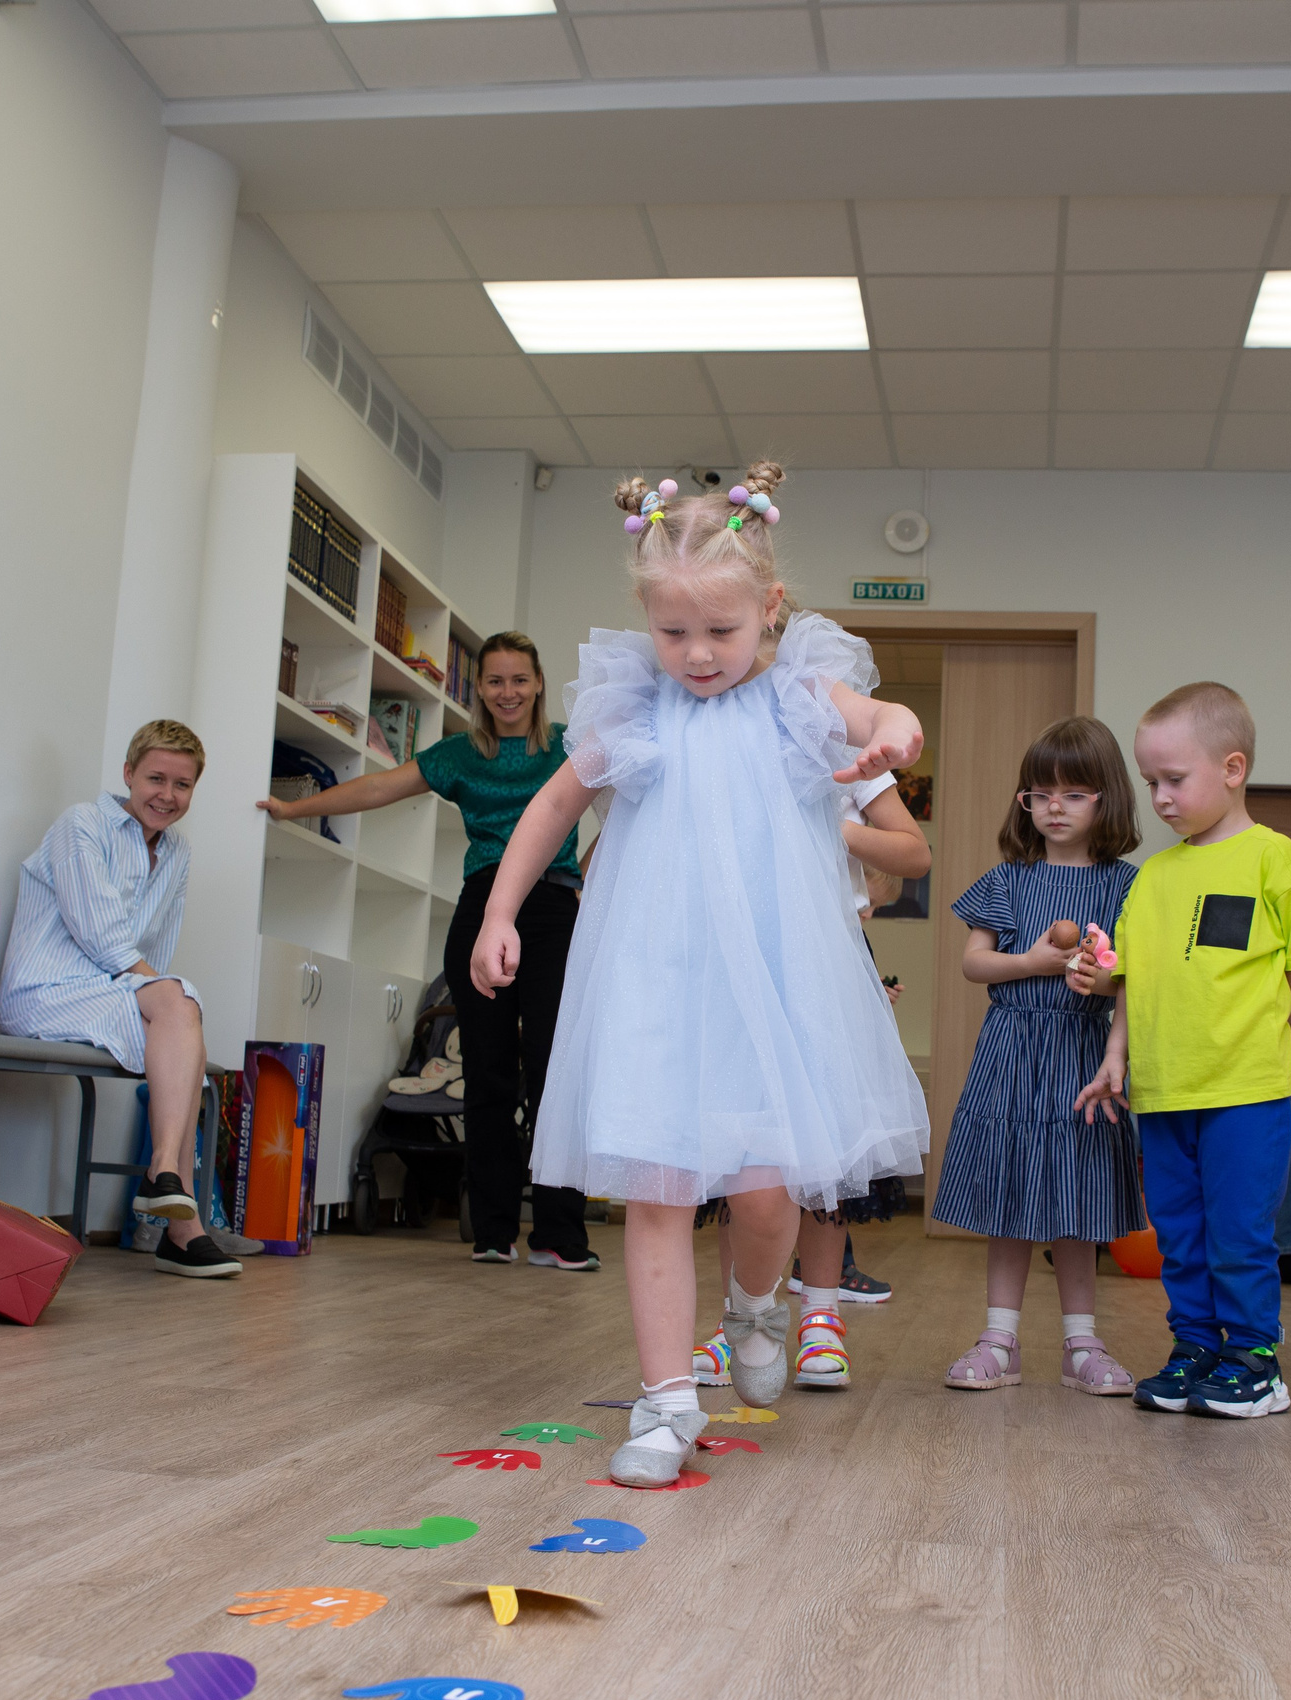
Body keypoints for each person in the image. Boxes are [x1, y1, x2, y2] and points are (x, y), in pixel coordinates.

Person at [469, 463, 929, 1488]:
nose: (698, 654)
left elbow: (883, 716)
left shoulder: (801, 695)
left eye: (720, 632)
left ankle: (756, 1304)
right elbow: (549, 810)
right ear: (648, 621)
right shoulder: (634, 711)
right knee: (660, 1186)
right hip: (655, 979)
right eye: (674, 633)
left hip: (770, 985)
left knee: (765, 1197)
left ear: (767, 609)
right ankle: (665, 1399)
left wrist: (892, 733)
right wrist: (501, 911)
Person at [262, 633, 598, 1271]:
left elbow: (621, 803)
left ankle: (560, 1234)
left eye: (518, 680)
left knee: (556, 1072)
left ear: (538, 684)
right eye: (494, 681)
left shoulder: (568, 744)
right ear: (479, 691)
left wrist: (583, 877)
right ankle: (494, 1231)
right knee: (489, 1075)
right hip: (481, 909)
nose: (507, 693)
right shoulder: (459, 754)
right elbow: (377, 790)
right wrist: (294, 807)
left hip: (553, 910)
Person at [1074, 683, 1291, 1420]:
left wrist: (1250, 1017)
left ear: (1232, 767)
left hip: (1246, 1088)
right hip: (1162, 1090)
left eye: (1174, 779)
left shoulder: (1277, 862)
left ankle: (1255, 1357)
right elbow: (1131, 978)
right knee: (1181, 1235)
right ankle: (1195, 1345)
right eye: (1150, 781)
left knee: (1239, 1232)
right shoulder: (1153, 877)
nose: (1159, 797)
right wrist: (1116, 1054)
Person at [695, 762, 930, 1393]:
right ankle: (736, 1319)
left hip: (828, 972)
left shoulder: (846, 752)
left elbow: (914, 853)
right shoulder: (731, 742)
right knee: (740, 1151)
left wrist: (831, 830)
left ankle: (821, 1317)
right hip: (738, 970)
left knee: (827, 1152)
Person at [936, 716, 1145, 1398]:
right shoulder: (1008, 879)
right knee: (1009, 1193)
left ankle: (1081, 1341)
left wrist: (1102, 980)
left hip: (1084, 1054)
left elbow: (1135, 980)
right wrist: (1029, 959)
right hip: (1012, 1050)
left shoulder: (1127, 885)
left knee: (1077, 1195)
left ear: (1106, 800)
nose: (1054, 806)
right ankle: (999, 1338)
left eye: (1073, 793)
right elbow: (974, 963)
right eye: (1040, 793)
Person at [0, 720, 241, 1280]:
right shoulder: (80, 825)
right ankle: (177, 1217)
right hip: (45, 992)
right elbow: (101, 935)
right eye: (155, 778)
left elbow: (157, 943)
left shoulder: (177, 851)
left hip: (106, 993)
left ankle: (170, 1193)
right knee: (183, 1013)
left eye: (182, 786)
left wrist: (164, 1000)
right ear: (128, 773)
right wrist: (164, 998)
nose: (167, 795)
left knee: (183, 1021)